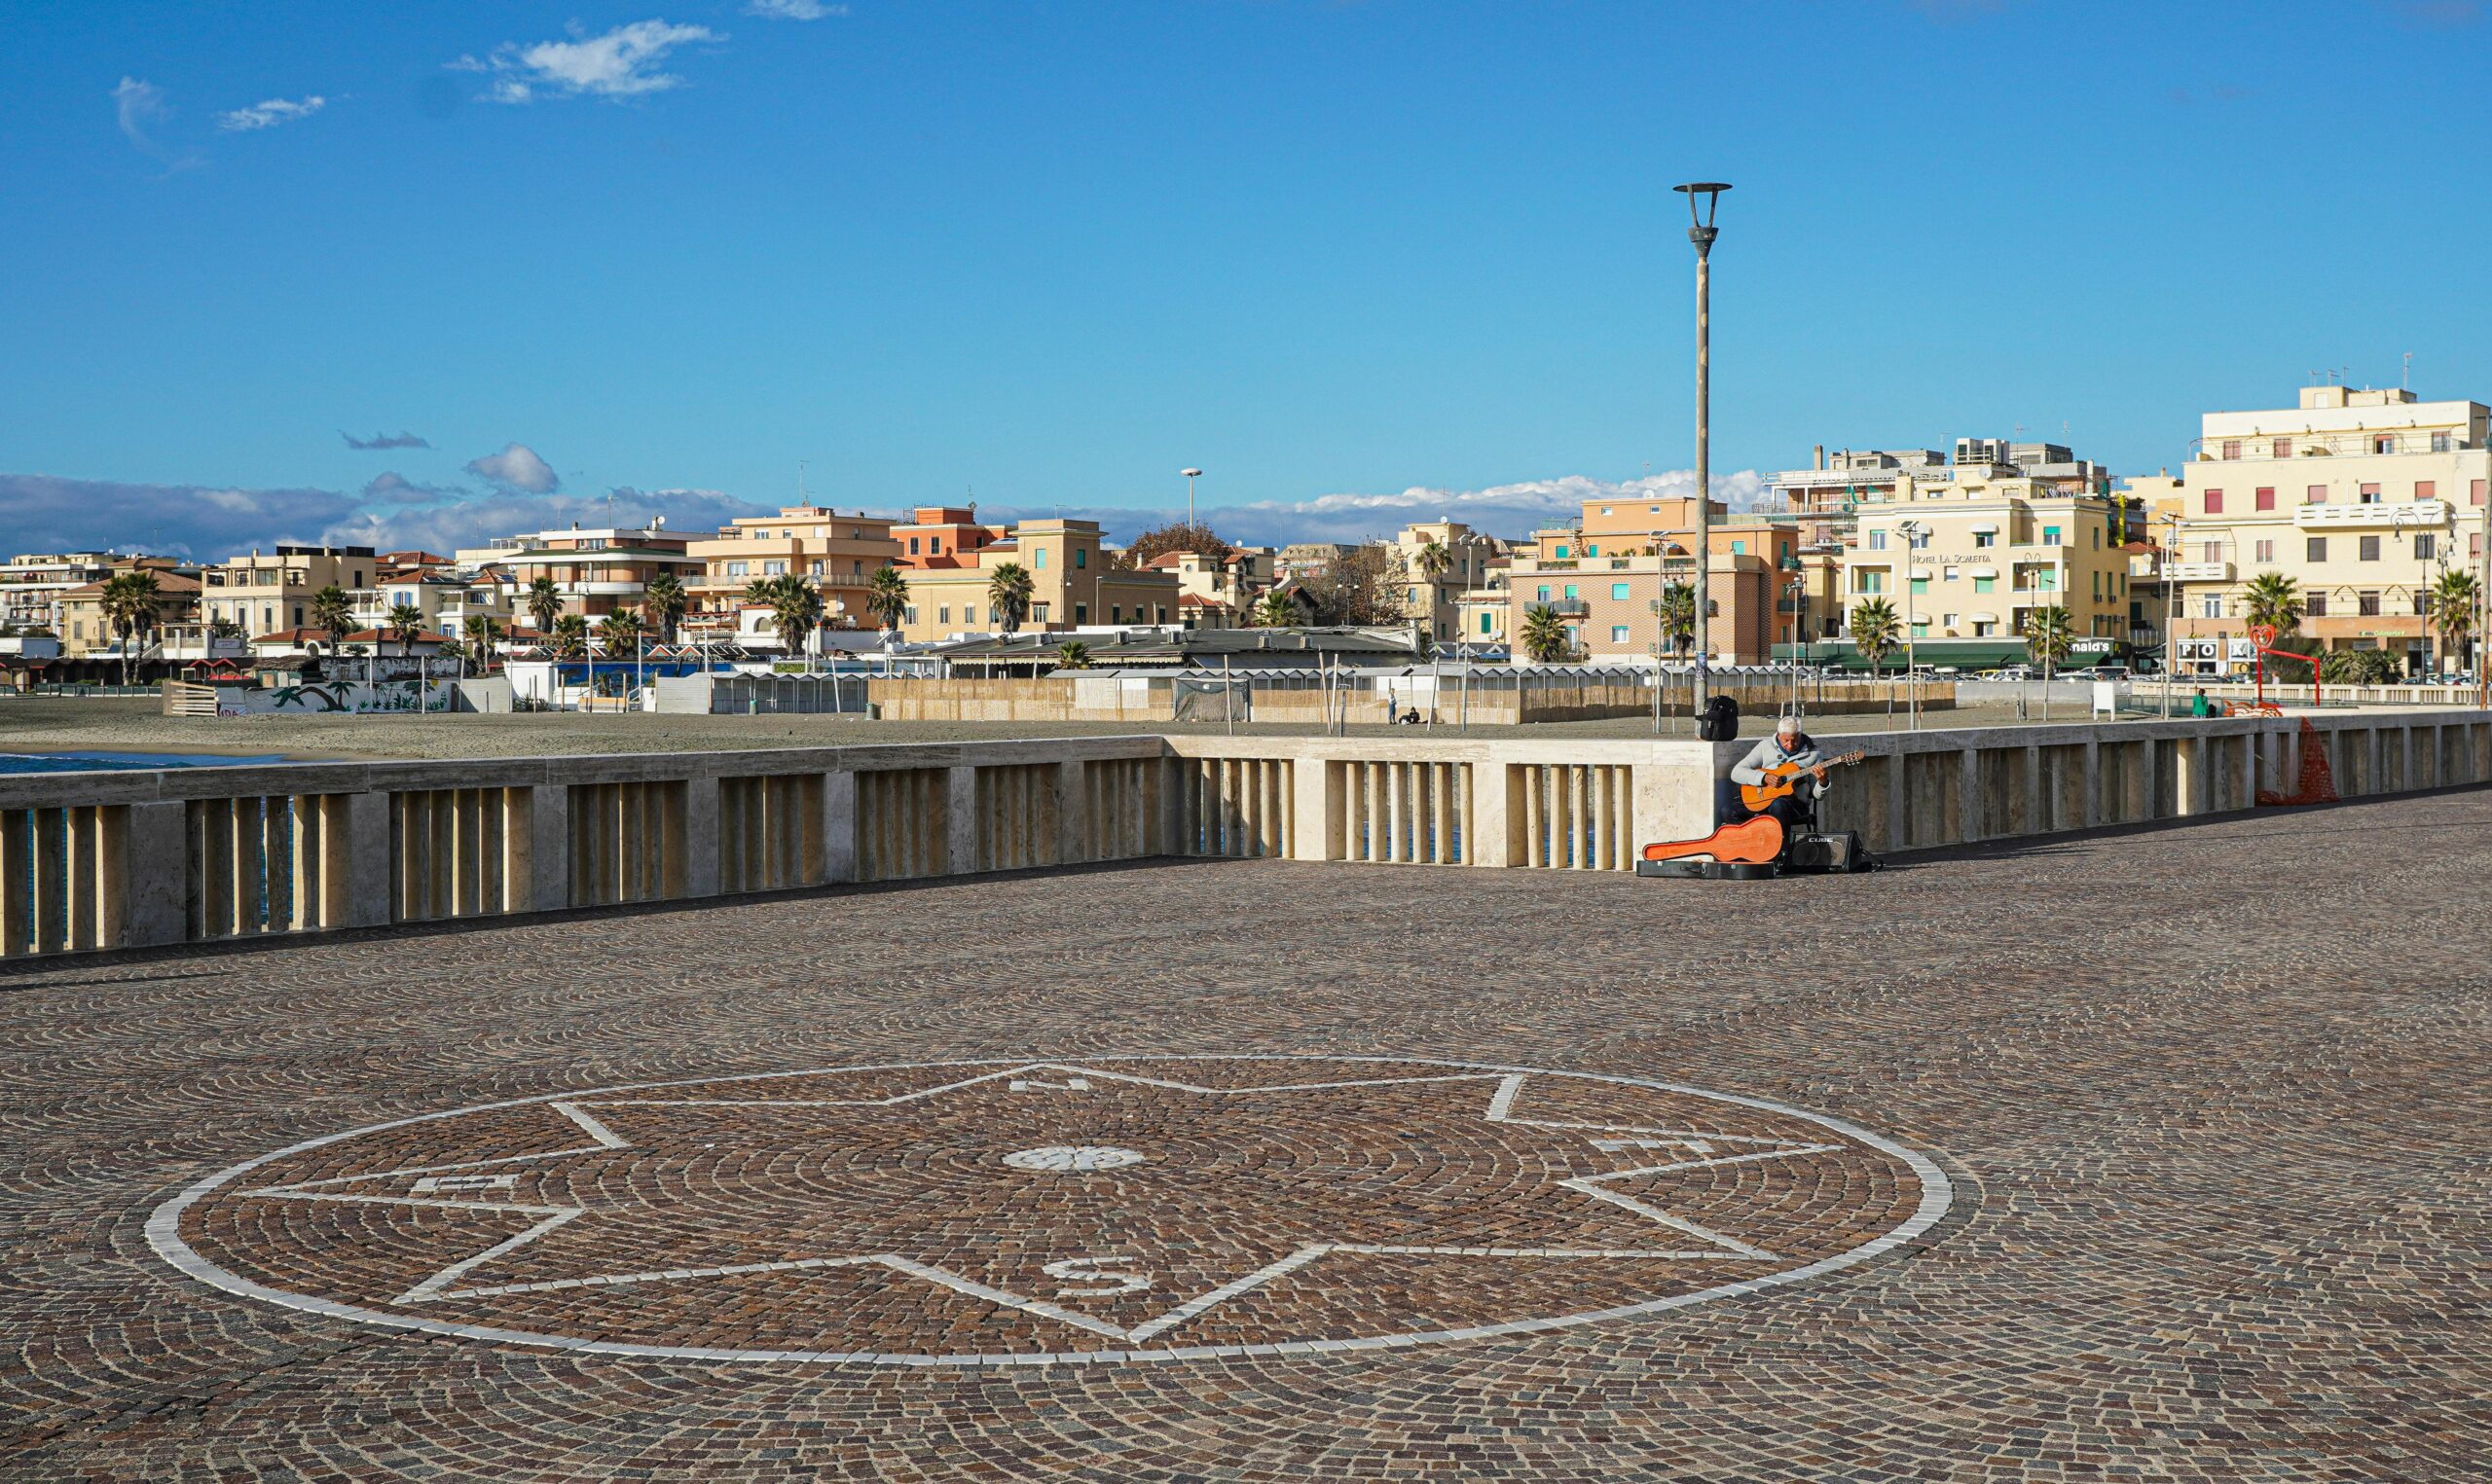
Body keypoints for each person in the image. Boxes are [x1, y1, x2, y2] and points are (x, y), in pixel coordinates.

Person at [1729, 715, 1827, 832]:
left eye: (1795, 740)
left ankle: (1782, 849)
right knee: (1728, 810)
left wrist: (1823, 783)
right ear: (1778, 735)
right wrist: (1764, 777)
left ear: (1800, 736)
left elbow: (1816, 795)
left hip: (1796, 805)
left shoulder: (1814, 754)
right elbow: (1736, 772)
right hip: (1763, 800)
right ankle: (1747, 846)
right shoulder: (1765, 746)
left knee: (1778, 805)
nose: (1790, 745)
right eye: (1786, 740)